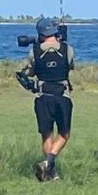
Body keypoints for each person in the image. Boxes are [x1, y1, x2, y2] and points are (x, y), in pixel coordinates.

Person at [19, 17, 75, 182]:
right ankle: (49, 164)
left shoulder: (34, 51)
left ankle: (49, 169)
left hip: (43, 96)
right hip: (62, 95)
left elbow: (26, 72)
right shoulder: (67, 49)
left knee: (46, 134)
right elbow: (70, 65)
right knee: (64, 133)